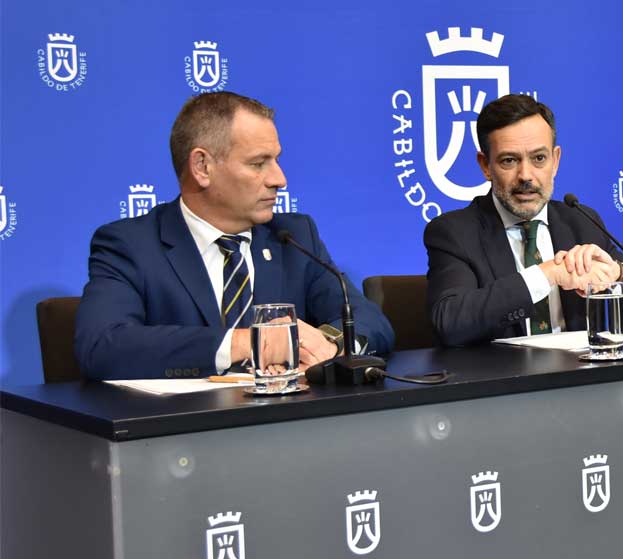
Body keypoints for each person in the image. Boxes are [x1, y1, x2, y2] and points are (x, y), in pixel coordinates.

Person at [75, 91, 394, 380]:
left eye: (276, 160)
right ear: (202, 167)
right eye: (258, 164)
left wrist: (330, 345)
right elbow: (103, 346)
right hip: (182, 435)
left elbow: (369, 321)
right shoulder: (131, 246)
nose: (279, 179)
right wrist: (247, 342)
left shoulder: (293, 236)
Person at [424, 94, 623, 346]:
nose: (526, 175)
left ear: (555, 161)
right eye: (509, 160)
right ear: (485, 165)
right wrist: (545, 276)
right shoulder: (455, 232)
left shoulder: (581, 221)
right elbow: (450, 323)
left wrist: (620, 275)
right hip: (504, 383)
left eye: (539, 158)